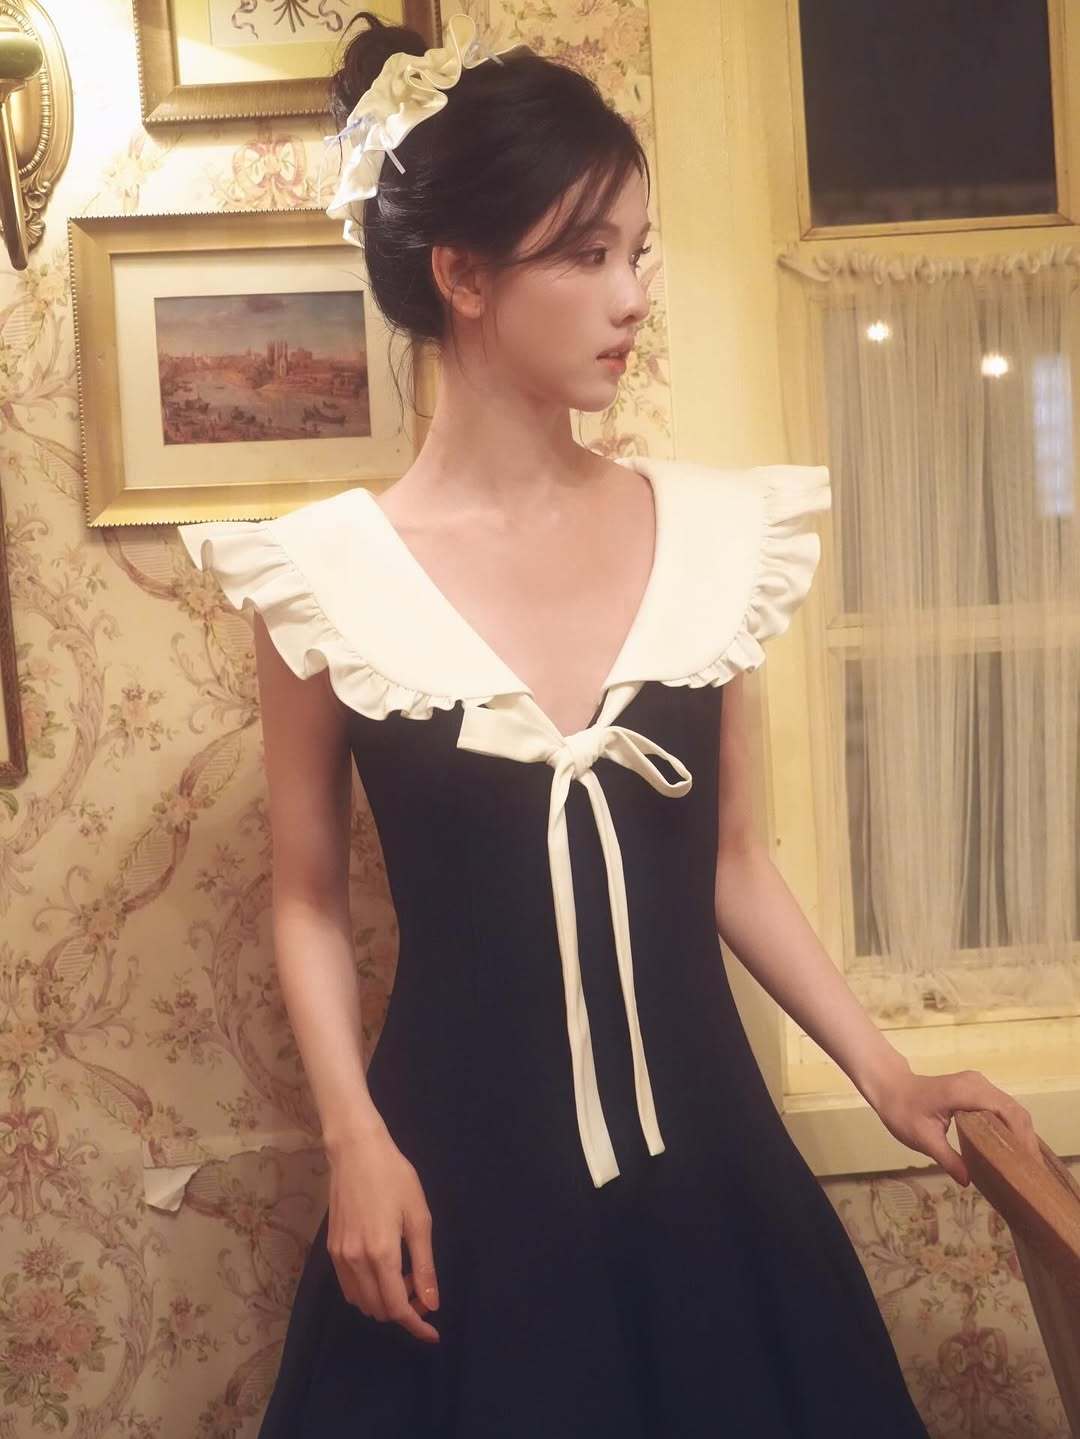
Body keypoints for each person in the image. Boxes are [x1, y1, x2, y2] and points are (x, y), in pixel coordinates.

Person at [178, 12, 1041, 1435]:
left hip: (710, 1173)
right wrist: (353, 1140)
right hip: (451, 1184)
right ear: (462, 274)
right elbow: (308, 897)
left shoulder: (712, 536)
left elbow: (733, 865)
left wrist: (886, 1074)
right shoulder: (322, 576)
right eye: (585, 256)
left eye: (637, 252)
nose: (632, 297)